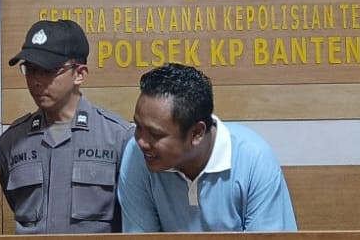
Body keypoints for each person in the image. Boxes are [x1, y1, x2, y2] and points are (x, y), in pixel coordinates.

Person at [116, 63, 298, 232]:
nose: (141, 141)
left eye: (156, 134)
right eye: (138, 126)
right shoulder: (136, 154)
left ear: (197, 133)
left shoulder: (253, 158)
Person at [0, 20, 132, 233]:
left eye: (48, 70)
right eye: (30, 69)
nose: (36, 81)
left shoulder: (118, 137)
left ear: (79, 74)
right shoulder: (12, 141)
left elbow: (132, 217)